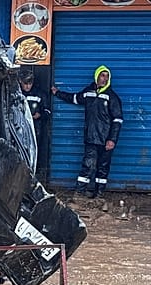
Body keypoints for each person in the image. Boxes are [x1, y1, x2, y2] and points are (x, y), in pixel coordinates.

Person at [52, 65, 123, 198]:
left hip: (106, 140)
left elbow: (118, 120)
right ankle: (79, 193)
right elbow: (75, 98)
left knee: (103, 168)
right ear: (97, 77)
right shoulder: (89, 92)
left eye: (107, 76)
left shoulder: (112, 97)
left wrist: (112, 139)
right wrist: (58, 93)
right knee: (88, 165)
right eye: (102, 76)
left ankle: (99, 195)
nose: (105, 79)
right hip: (91, 137)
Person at [18, 68, 51, 141]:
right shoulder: (17, 94)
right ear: (20, 82)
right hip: (19, 127)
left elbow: (48, 111)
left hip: (35, 128)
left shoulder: (39, 94)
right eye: (25, 84)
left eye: (30, 84)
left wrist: (40, 115)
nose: (28, 86)